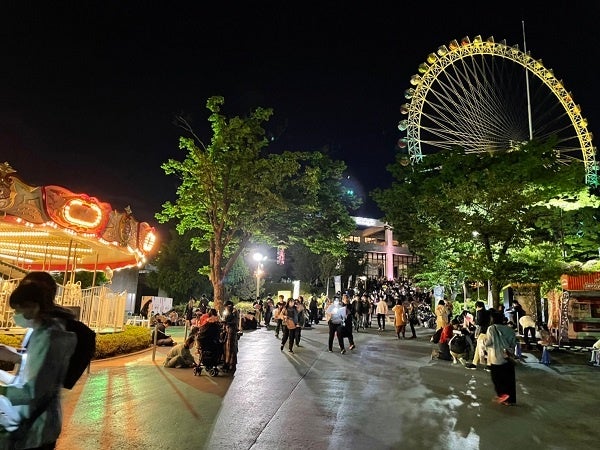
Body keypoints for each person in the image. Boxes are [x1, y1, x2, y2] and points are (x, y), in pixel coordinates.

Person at [0, 281, 77, 449]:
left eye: (18, 309)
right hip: (32, 427)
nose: (15, 314)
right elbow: (31, 374)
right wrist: (13, 360)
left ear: (34, 307)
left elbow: (32, 393)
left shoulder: (48, 337)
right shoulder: (38, 332)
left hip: (38, 430)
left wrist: (2, 390)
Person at [483, 310, 518, 405]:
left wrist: (483, 341)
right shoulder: (510, 329)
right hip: (508, 357)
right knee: (509, 380)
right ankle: (511, 400)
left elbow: (488, 342)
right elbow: (513, 343)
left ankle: (502, 395)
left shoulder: (491, 328)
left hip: (497, 358)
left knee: (497, 379)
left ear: (492, 319)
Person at [466, 301, 491, 370]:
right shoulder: (488, 312)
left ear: (477, 306)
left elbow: (479, 323)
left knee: (480, 347)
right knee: (487, 348)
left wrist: (473, 322)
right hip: (489, 332)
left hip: (482, 332)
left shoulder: (479, 312)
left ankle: (478, 364)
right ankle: (476, 363)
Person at [221, 301, 239, 373]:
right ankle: (226, 363)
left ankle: (230, 364)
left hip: (231, 332)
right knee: (226, 348)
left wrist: (226, 322)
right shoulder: (228, 312)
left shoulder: (234, 312)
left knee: (230, 348)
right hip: (227, 331)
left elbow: (234, 322)